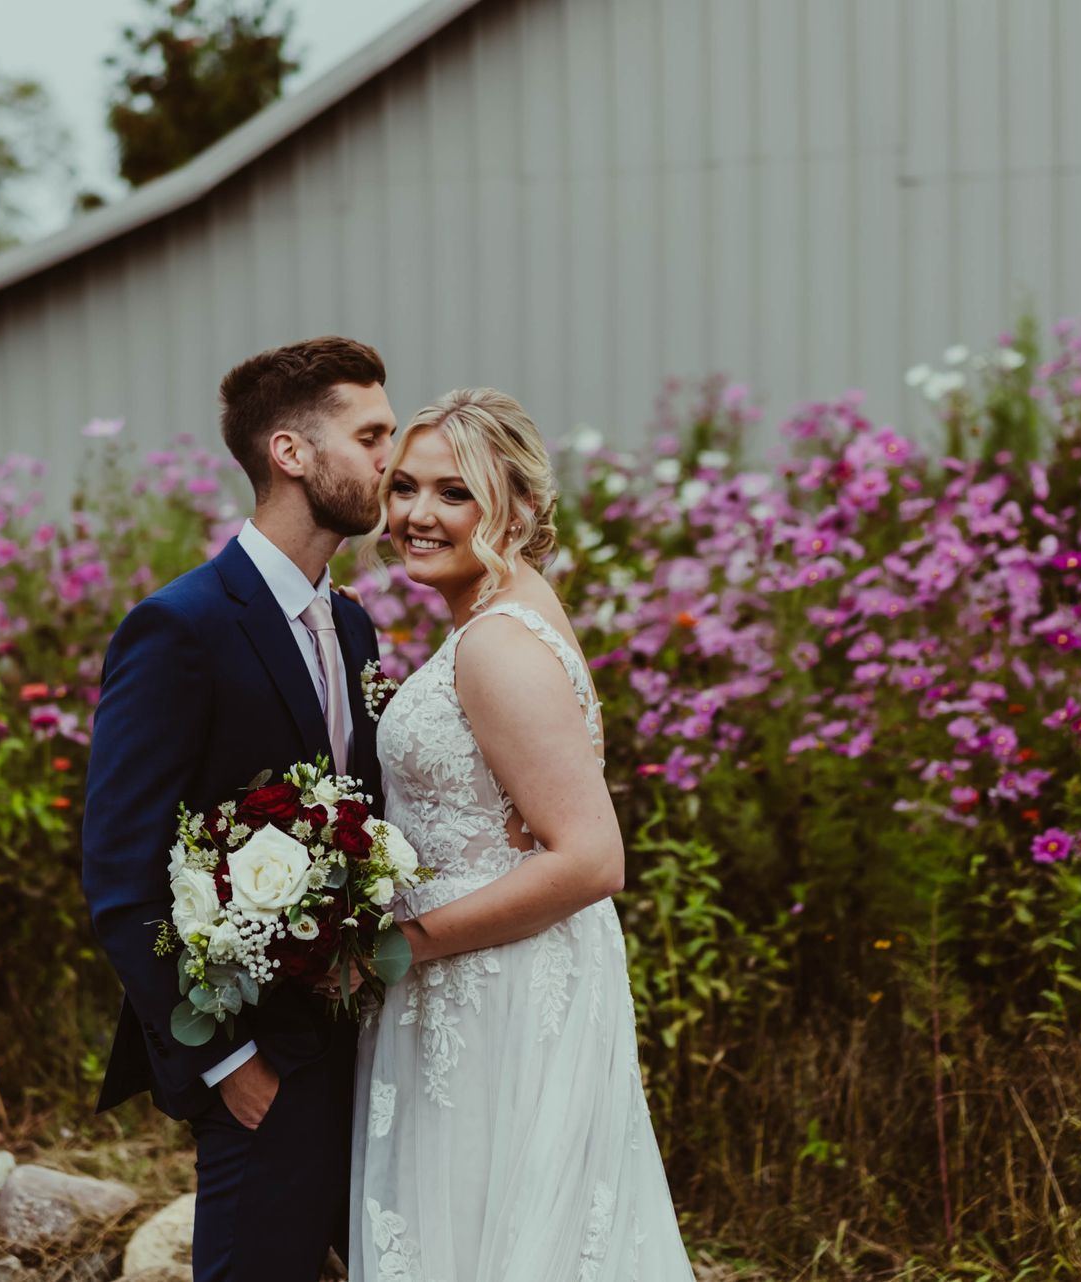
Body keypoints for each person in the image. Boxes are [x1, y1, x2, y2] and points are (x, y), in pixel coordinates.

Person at [350, 388, 691, 1279]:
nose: (418, 515)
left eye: (454, 494)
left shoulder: (499, 643)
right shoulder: (499, 616)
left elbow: (590, 859)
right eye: (406, 488)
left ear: (523, 508)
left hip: (493, 990)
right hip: (481, 975)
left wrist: (397, 947)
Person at [81, 336, 396, 1282]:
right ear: (291, 454)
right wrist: (226, 1064)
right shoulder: (180, 626)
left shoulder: (352, 623)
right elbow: (120, 873)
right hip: (257, 1052)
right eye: (371, 433)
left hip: (362, 1043)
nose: (390, 456)